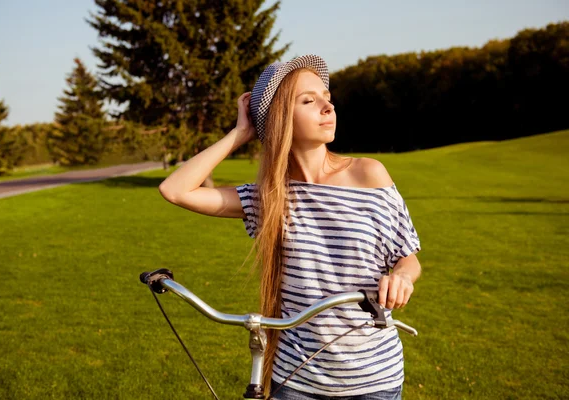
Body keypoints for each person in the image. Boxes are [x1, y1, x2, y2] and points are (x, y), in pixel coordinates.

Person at [159, 54, 422, 400]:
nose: (327, 107)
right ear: (280, 118)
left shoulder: (369, 174)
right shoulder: (269, 197)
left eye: (327, 97)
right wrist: (240, 133)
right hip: (296, 381)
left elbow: (408, 256)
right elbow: (175, 190)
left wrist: (401, 277)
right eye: (308, 101)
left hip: (373, 379)